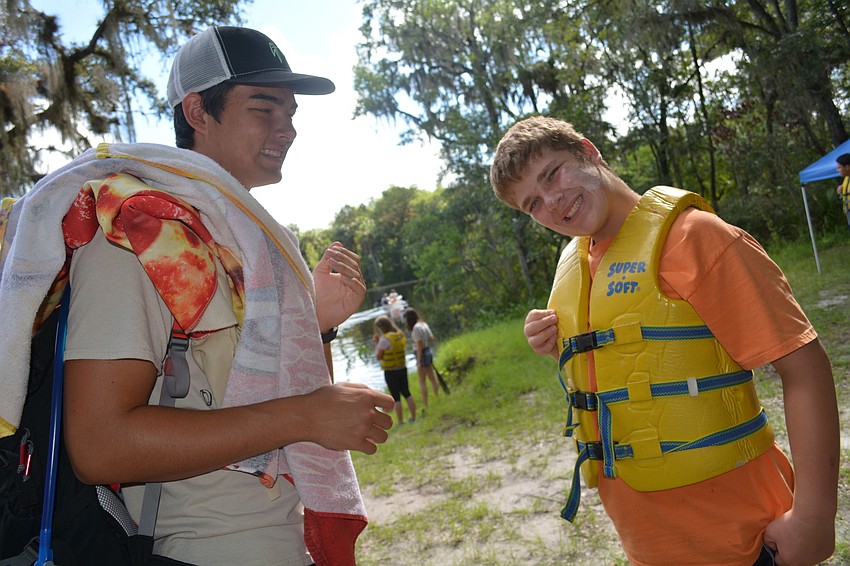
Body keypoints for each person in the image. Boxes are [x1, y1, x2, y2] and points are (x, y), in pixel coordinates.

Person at [0, 26, 395, 566]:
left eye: (292, 113)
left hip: (279, 537)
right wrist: (303, 415)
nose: (289, 129)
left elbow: (283, 407)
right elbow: (99, 445)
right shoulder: (136, 231)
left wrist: (317, 324)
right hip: (198, 549)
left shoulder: (251, 248)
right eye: (265, 108)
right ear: (196, 111)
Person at [489, 115, 839, 566]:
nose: (552, 203)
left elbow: (805, 367)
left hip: (746, 540)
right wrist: (556, 340)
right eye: (532, 203)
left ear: (588, 151)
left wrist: (813, 516)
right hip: (647, 547)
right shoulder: (575, 268)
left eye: (553, 174)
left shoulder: (699, 237)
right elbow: (639, 359)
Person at [373, 316, 417, 425]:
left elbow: (379, 356)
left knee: (396, 397)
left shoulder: (384, 339)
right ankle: (414, 418)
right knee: (407, 393)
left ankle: (401, 422)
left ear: (382, 327)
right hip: (402, 368)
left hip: (390, 371)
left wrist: (377, 343)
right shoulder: (400, 335)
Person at [402, 308, 440, 407]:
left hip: (421, 353)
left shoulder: (415, 328)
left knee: (422, 380)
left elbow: (419, 344)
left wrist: (418, 361)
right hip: (428, 351)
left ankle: (425, 404)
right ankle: (437, 397)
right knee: (432, 377)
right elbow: (431, 338)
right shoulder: (424, 324)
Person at [835, 153, 850, 230]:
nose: (837, 170)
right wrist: (841, 189)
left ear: (847, 167)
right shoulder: (846, 178)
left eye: (839, 167)